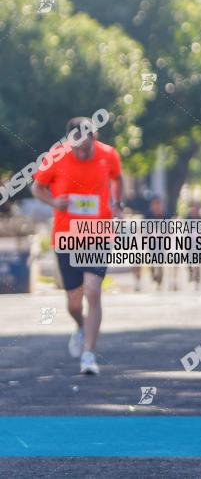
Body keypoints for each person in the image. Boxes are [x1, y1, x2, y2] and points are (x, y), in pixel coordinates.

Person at [32, 116, 125, 375]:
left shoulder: (109, 155)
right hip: (66, 236)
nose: (82, 152)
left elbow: (118, 179)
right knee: (74, 302)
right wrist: (54, 203)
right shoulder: (57, 156)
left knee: (93, 291)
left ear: (94, 138)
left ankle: (88, 354)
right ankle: (81, 326)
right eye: (77, 148)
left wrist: (118, 204)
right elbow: (37, 188)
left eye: (86, 147)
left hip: (98, 233)